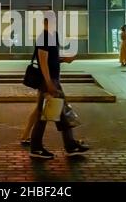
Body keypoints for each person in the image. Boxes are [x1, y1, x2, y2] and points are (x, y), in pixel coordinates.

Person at [29, 15, 89, 159]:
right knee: (45, 115)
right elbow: (42, 61)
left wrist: (65, 59)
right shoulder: (43, 37)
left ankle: (70, 145)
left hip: (53, 80)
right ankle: (37, 148)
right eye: (52, 22)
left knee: (62, 113)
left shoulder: (52, 36)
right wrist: (48, 83)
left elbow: (52, 58)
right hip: (48, 81)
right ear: (45, 23)